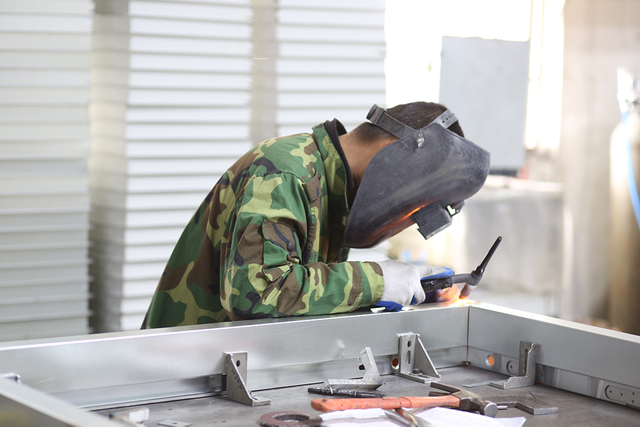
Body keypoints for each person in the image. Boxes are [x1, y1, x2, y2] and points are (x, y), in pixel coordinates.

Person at [142, 102, 490, 328]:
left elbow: (306, 292)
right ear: (394, 159)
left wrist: (413, 290)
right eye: (411, 211)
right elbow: (257, 292)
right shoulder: (287, 171)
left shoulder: (333, 190)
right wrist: (378, 281)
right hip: (181, 370)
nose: (404, 223)